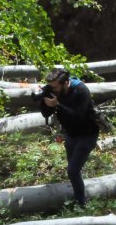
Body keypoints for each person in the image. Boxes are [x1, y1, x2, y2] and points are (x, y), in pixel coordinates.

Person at [39, 69, 99, 207]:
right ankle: (78, 194)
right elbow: (45, 114)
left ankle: (81, 204)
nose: (53, 89)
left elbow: (77, 116)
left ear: (65, 83)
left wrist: (58, 105)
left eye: (55, 86)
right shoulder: (55, 91)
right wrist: (45, 102)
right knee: (74, 169)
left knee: (72, 170)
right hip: (71, 134)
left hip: (87, 134)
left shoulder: (81, 91)